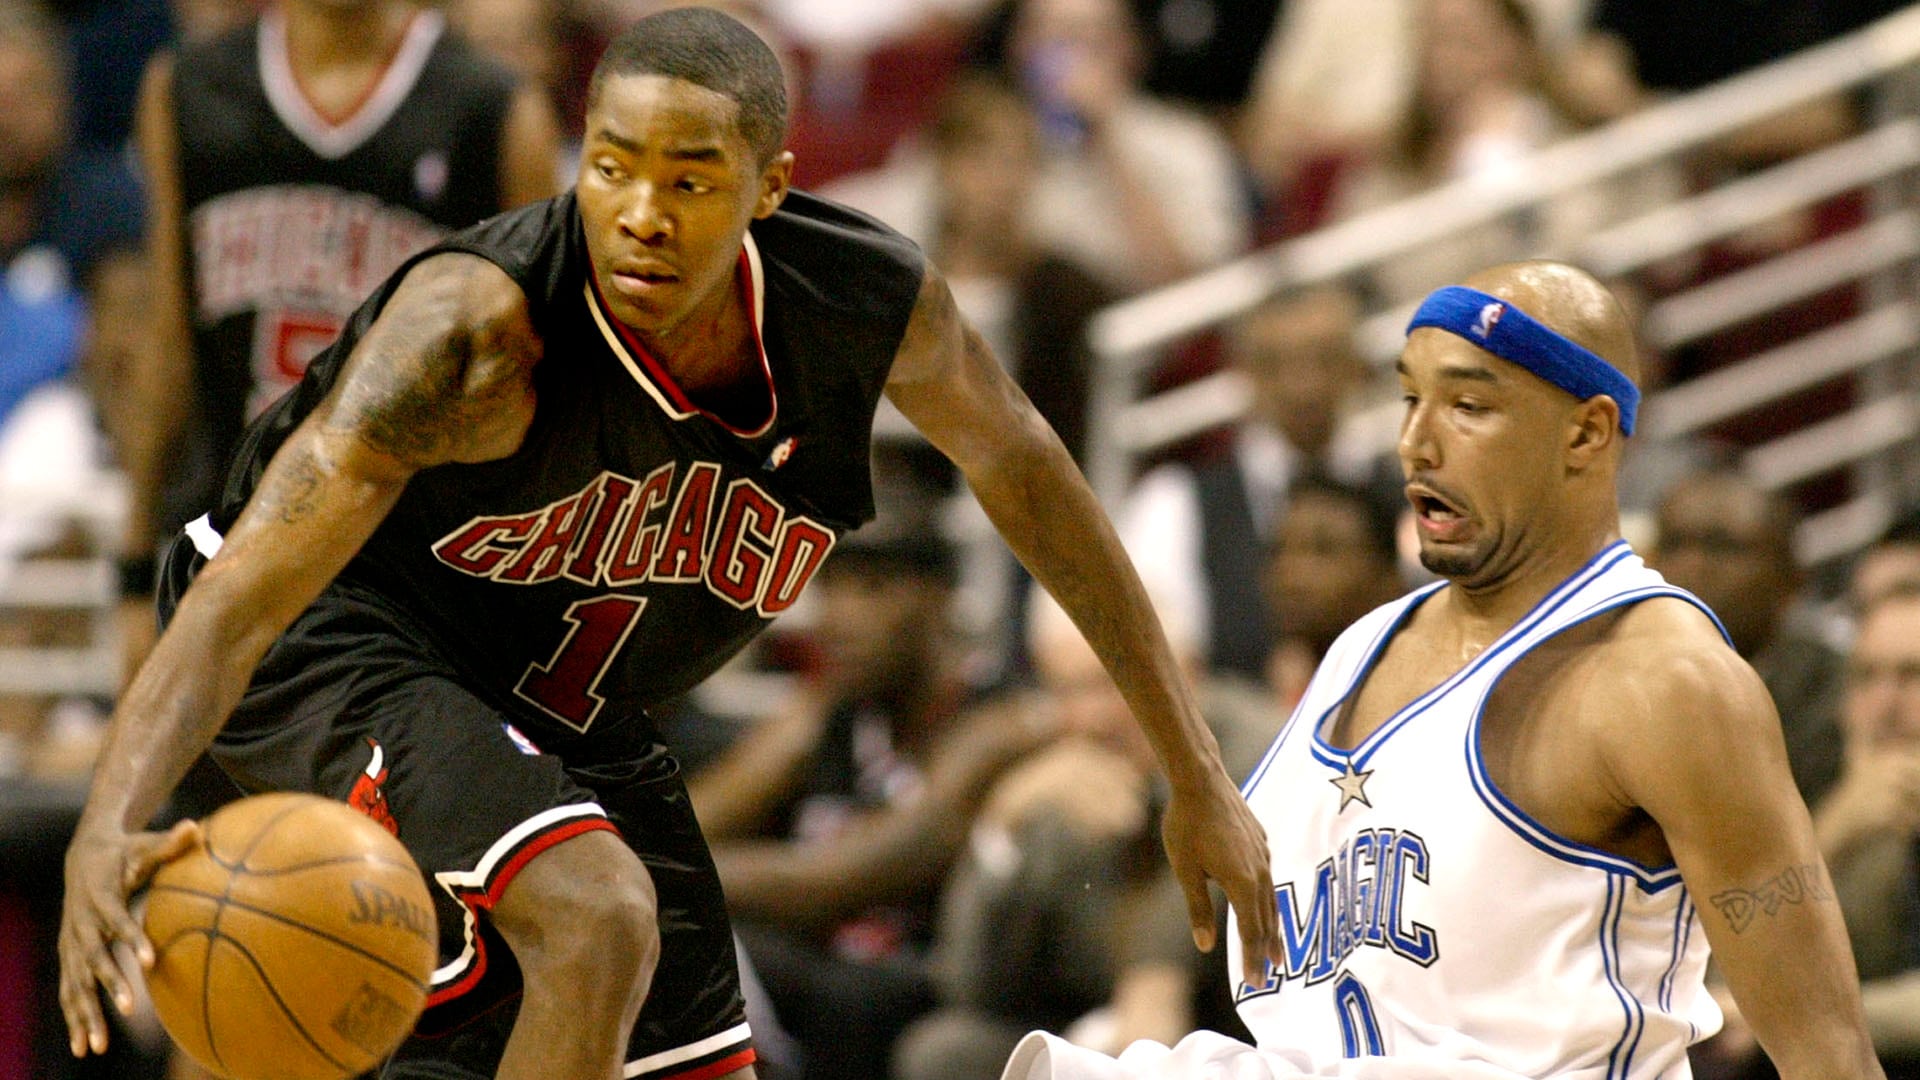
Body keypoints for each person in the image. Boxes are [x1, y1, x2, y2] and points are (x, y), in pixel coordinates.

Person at [57, 10, 1280, 1080]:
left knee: (688, 1044)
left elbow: (1037, 481)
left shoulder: (862, 307)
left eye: (690, 180)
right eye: (612, 169)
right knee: (596, 916)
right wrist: (107, 818)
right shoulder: (470, 336)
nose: (641, 215)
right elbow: (240, 591)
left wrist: (1197, 773)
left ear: (769, 188)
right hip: (325, 630)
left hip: (552, 694)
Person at [1002, 260, 1881, 1080]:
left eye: (1469, 406)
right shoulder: (1362, 645)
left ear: (1586, 431)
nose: (1416, 443)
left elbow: (1827, 1050)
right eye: (1409, 398)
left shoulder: (1666, 684)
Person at [117, 0, 561, 642]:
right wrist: (133, 568)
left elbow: (539, 382)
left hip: (406, 575)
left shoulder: (494, 106)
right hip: (224, 542)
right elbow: (168, 338)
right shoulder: (186, 87)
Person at [1652, 467, 1846, 806]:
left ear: (1791, 578)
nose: (1691, 566)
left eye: (1720, 547)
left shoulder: (1837, 693)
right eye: (1674, 543)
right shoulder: (1613, 673)